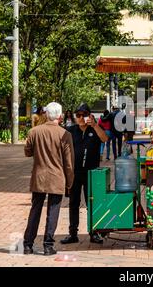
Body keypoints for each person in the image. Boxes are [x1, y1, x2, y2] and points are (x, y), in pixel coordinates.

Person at [23, 102, 74, 256]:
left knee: (35, 210)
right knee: (53, 211)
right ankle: (48, 245)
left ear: (46, 114)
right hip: (57, 177)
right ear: (60, 116)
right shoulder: (65, 134)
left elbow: (27, 152)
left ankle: (28, 245)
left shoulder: (34, 131)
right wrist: (70, 182)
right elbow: (69, 162)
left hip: (39, 177)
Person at [61, 103, 108, 245]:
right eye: (78, 115)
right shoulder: (69, 130)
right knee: (73, 203)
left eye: (84, 115)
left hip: (91, 173)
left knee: (92, 203)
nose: (81, 118)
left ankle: (94, 233)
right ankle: (72, 233)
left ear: (90, 116)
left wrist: (94, 125)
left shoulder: (94, 129)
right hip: (74, 173)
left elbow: (105, 139)